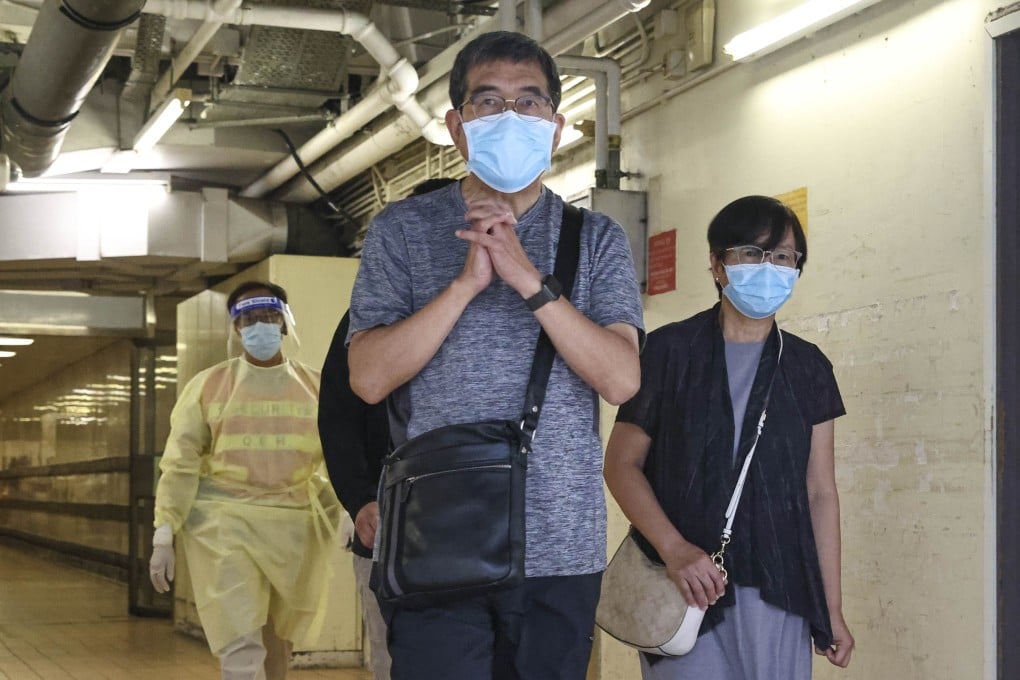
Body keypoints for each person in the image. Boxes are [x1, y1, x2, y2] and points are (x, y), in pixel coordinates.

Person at [346, 30, 645, 680]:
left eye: (529, 102)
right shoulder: (401, 231)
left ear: (556, 128)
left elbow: (621, 379)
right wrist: (462, 288)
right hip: (434, 538)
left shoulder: (596, 239)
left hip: (559, 548)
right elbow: (367, 378)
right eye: (488, 102)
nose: (511, 117)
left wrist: (529, 281)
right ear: (457, 127)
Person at [603, 195, 854, 679]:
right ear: (718, 265)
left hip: (780, 590)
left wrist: (832, 607)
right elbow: (621, 464)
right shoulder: (669, 353)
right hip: (683, 590)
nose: (768, 267)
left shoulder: (808, 368)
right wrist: (674, 549)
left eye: (783, 256)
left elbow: (820, 491)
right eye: (751, 253)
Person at [149, 281, 341, 680]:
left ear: (285, 323)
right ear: (236, 329)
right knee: (239, 637)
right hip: (227, 525)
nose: (260, 326)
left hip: (295, 529)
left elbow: (342, 456)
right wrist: (165, 529)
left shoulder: (317, 388)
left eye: (269, 316)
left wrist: (355, 508)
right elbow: (181, 461)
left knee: (279, 638)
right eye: (249, 319)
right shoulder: (208, 386)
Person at [318, 176, 458, 680]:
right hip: (390, 527)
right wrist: (358, 500)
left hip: (486, 527)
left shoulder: (500, 311)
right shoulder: (365, 323)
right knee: (396, 660)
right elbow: (338, 418)